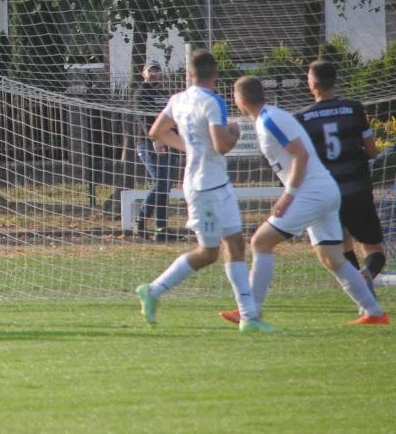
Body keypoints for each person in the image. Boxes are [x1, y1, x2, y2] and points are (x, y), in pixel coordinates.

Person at [227, 76, 386, 325]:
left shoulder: (270, 119)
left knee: (261, 242)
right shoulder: (267, 118)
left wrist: (289, 194)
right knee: (332, 257)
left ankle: (251, 311)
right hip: (323, 190)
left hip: (311, 192)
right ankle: (374, 312)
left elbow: (300, 155)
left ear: (241, 99)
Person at [134, 49, 267, 332]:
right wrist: (236, 132)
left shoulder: (178, 99)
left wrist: (189, 147)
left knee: (236, 244)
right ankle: (154, 290)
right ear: (215, 75)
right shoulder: (213, 101)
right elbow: (222, 145)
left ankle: (249, 317)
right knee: (208, 252)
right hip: (204, 187)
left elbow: (157, 131)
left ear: (189, 75)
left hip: (217, 183)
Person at [297, 59, 385, 289]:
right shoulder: (354, 108)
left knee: (343, 243)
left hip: (327, 192)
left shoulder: (302, 118)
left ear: (312, 84)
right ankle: (365, 278)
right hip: (357, 187)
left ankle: (362, 292)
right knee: (375, 249)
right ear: (334, 82)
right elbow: (372, 150)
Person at [131, 61, 179, 238]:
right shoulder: (141, 93)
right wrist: (155, 138)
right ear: (143, 73)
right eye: (151, 70)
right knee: (159, 181)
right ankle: (139, 221)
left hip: (167, 144)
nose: (155, 73)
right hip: (148, 143)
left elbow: (169, 119)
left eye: (157, 70)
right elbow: (144, 119)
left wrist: (176, 139)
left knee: (165, 185)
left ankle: (161, 229)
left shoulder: (163, 94)